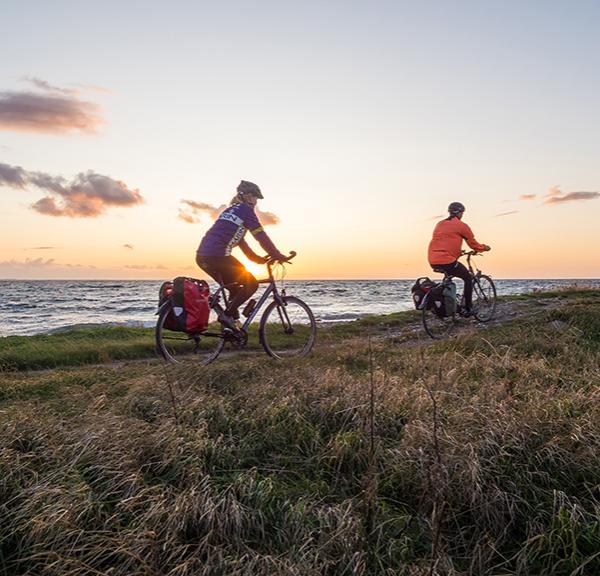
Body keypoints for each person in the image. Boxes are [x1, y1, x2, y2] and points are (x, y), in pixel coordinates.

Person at [196, 180, 288, 329]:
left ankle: (231, 327)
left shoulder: (230, 210)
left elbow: (240, 241)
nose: (256, 201)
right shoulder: (246, 210)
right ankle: (227, 317)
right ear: (247, 197)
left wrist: (257, 259)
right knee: (251, 284)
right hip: (217, 256)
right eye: (255, 197)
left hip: (202, 257)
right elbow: (260, 235)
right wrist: (276, 254)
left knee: (235, 288)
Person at [428, 202, 491, 316]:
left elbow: (444, 241)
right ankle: (468, 308)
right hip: (446, 260)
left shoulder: (440, 224)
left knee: (448, 279)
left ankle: (447, 306)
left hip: (433, 260)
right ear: (461, 213)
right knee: (467, 278)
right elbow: (473, 244)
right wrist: (484, 248)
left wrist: (457, 252)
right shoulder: (462, 226)